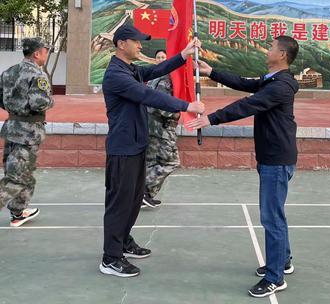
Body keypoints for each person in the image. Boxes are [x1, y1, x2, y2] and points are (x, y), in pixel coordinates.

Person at [189, 35, 299, 298]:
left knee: (271, 217)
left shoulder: (280, 86)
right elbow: (244, 83)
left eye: (271, 47)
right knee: (275, 214)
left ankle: (275, 277)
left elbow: (248, 104)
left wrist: (211, 119)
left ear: (282, 55)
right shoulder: (271, 80)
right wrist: (211, 72)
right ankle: (282, 260)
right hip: (273, 157)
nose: (267, 50)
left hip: (276, 159)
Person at [100, 24, 205, 278]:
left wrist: (184, 54)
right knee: (119, 203)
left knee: (135, 199)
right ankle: (110, 258)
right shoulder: (116, 74)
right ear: (121, 44)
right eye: (136, 41)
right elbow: (148, 95)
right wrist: (187, 105)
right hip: (123, 148)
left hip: (136, 145)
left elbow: (156, 69)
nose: (140, 45)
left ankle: (123, 241)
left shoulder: (131, 69)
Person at [0, 37, 54, 227]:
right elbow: (39, 103)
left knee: (24, 172)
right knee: (16, 177)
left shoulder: (9, 72)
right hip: (28, 132)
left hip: (11, 127)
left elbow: (1, 98)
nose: (47, 54)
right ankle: (16, 209)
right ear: (37, 53)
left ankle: (18, 212)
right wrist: (51, 101)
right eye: (46, 50)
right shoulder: (37, 74)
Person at [142, 49, 181, 209]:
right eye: (158, 57)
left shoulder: (153, 78)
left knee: (151, 162)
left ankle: (144, 195)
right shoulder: (165, 79)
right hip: (162, 128)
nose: (161, 59)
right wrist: (177, 113)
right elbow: (161, 105)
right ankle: (144, 192)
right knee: (171, 161)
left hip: (151, 126)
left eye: (164, 57)